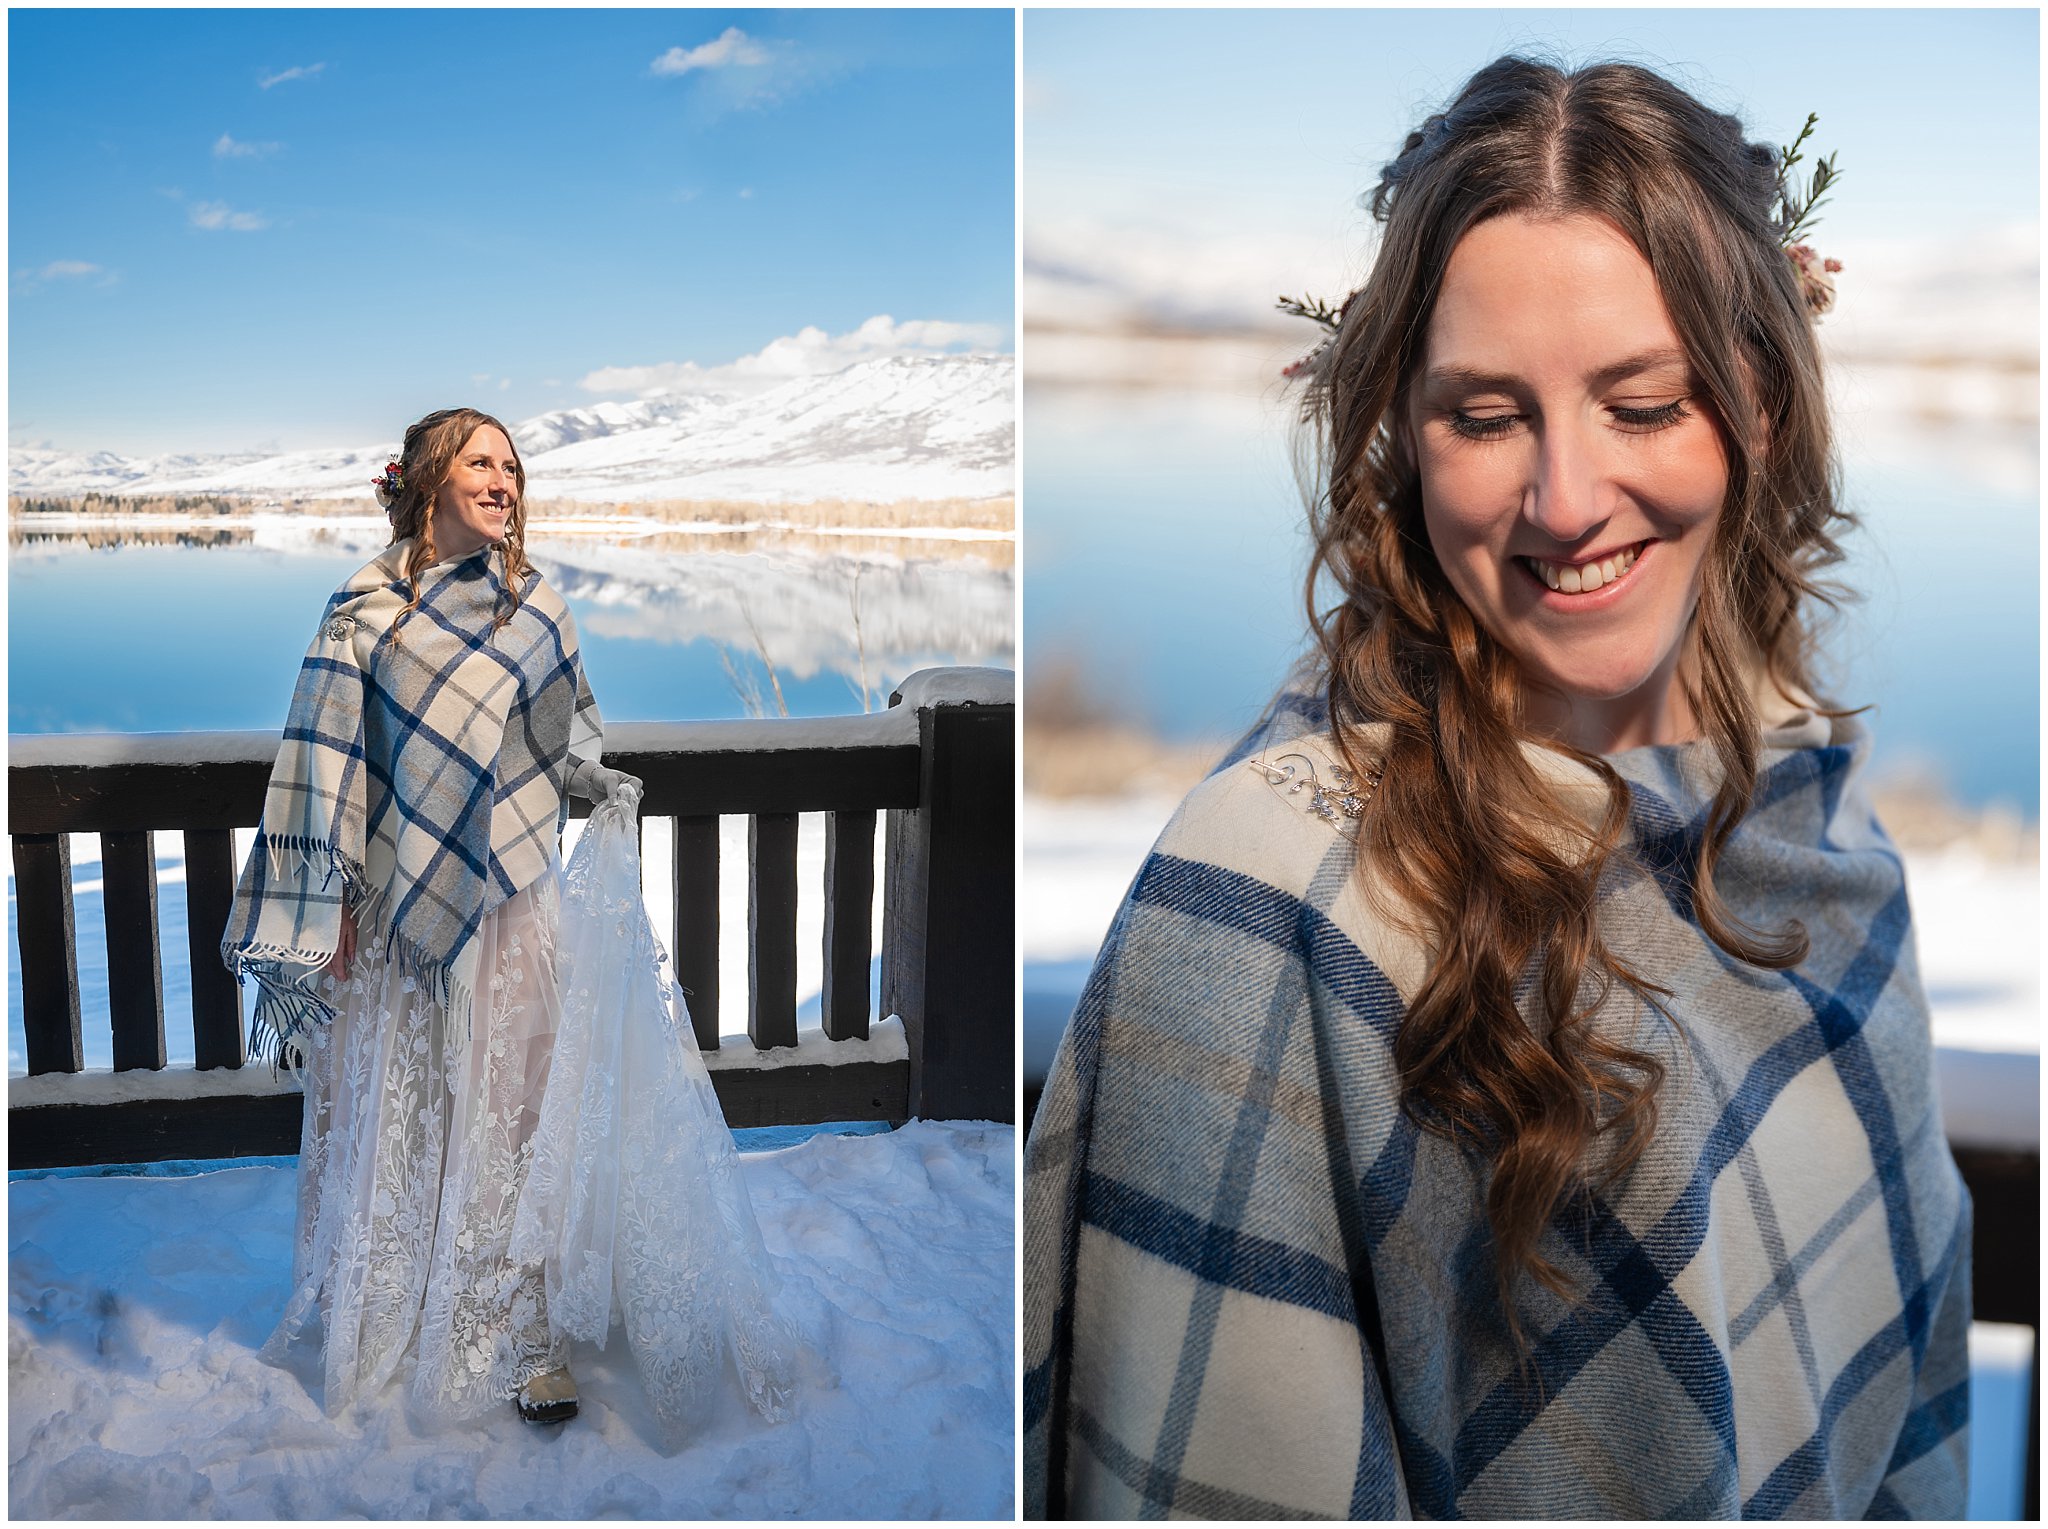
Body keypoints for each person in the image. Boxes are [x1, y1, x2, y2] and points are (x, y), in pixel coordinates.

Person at [1022, 57, 1970, 1519]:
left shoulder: (1797, 798)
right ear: (1403, 432)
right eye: (1485, 414)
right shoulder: (1270, 904)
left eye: (1644, 404)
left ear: (1763, 406)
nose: (1568, 500)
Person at [222, 407, 792, 1432]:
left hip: (518, 909)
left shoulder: (538, 610)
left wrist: (594, 778)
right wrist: (331, 897)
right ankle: (401, 1305)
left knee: (521, 1121)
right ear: (429, 478)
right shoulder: (362, 612)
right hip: (403, 921)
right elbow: (324, 766)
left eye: (514, 467)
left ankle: (525, 1334)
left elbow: (563, 734)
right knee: (415, 1124)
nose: (504, 481)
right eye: (482, 462)